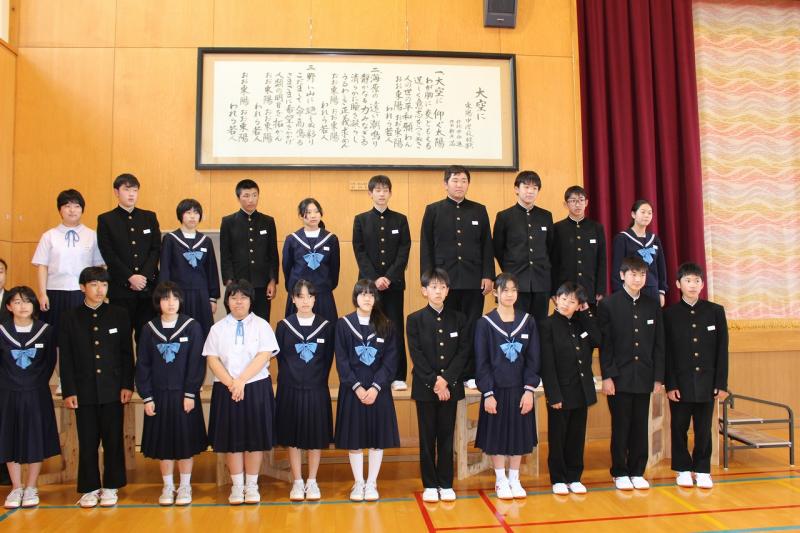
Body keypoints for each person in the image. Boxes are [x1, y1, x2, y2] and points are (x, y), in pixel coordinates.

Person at [59, 267, 134, 508]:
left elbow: (126, 353)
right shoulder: (69, 317)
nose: (99, 290)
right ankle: (90, 487)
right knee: (88, 441)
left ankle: (112, 485)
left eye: (103, 284)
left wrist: (127, 384)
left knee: (113, 440)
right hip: (84, 391)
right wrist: (69, 390)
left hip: (113, 389)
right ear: (83, 288)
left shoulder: (119, 314)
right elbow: (66, 358)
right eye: (94, 285)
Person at [202, 279, 280, 506]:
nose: (238, 302)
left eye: (243, 297)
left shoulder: (262, 325)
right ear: (227, 301)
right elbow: (212, 359)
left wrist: (242, 380)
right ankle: (237, 486)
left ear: (250, 301)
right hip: (226, 388)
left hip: (256, 386)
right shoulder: (217, 328)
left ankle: (252, 485)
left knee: (255, 438)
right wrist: (232, 383)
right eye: (234, 297)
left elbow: (264, 355)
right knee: (231, 439)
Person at [420, 165, 494, 389]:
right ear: (445, 184)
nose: (459, 185)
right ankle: (448, 373)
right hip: (444, 282)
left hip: (473, 280)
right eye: (455, 180)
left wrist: (488, 275)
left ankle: (470, 373)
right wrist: (428, 281)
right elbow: (426, 247)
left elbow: (487, 245)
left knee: (471, 327)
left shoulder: (479, 210)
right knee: (447, 327)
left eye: (463, 180)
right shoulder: (433, 210)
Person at [135, 282, 207, 506]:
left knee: (185, 443)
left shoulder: (191, 327)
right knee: (164, 444)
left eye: (175, 298)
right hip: (158, 396)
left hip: (184, 395)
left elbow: (196, 362)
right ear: (158, 302)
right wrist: (147, 396)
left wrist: (190, 393)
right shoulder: (149, 329)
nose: (171, 303)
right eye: (166, 298)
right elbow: (143, 365)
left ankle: (185, 486)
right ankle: (167, 486)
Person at [598, 255, 665, 491]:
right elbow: (606, 345)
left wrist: (658, 377)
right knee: (621, 426)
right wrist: (607, 376)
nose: (638, 279)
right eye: (633, 274)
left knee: (640, 425)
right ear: (622, 275)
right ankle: (619, 472)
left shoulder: (652, 304)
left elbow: (659, 344)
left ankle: (637, 471)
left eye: (642, 275)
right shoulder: (609, 304)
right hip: (619, 378)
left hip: (644, 376)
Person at [474, 272, 541, 500]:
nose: (510, 294)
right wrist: (488, 393)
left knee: (518, 436)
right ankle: (500, 479)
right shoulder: (485, 323)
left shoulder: (528, 321)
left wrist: (529, 390)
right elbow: (481, 362)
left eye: (514, 290)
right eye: (505, 290)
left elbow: (534, 359)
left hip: (520, 389)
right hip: (495, 390)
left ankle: (514, 478)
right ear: (495, 292)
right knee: (497, 436)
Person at [407, 268, 470, 503]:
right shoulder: (414, 320)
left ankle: (445, 482)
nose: (438, 291)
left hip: (450, 388)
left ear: (448, 291)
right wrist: (435, 382)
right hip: (425, 388)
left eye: (443, 287)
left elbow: (463, 352)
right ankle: (430, 484)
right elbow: (417, 354)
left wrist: (446, 381)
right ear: (424, 291)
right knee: (427, 439)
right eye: (433, 287)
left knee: (446, 436)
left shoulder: (459, 318)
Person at [334, 280, 400, 502]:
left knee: (376, 439)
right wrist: (357, 387)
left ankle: (371, 483)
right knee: (354, 438)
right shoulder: (343, 325)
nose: (367, 297)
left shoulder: (386, 325)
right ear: (355, 297)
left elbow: (391, 360)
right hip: (352, 389)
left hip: (378, 390)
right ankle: (358, 482)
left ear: (375, 298)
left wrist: (375, 387)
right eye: (362, 294)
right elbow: (342, 360)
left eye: (371, 294)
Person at [665, 262, 728, 489]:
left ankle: (702, 469)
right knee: (678, 427)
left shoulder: (715, 311)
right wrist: (670, 384)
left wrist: (721, 383)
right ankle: (682, 468)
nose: (693, 285)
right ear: (678, 284)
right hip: (680, 384)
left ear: (702, 284)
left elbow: (722, 350)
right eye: (688, 280)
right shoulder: (669, 314)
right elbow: (667, 353)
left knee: (703, 429)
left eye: (697, 281)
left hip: (707, 383)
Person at [274, 280, 335, 501]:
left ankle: (312, 480)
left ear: (315, 299)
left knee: (315, 436)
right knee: (292, 436)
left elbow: (328, 359)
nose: (305, 301)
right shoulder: (283, 326)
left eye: (309, 296)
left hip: (316, 388)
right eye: (300, 296)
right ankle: (298, 481)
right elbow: (280, 359)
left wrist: (315, 380)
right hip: (290, 389)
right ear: (293, 299)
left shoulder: (326, 326)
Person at [0, 287, 60, 509]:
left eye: (27, 301)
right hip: (8, 393)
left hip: (36, 392)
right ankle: (16, 487)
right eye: (17, 302)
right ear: (9, 306)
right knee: (9, 437)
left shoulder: (46, 331)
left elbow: (49, 362)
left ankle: (31, 487)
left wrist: (36, 383)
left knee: (36, 438)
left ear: (34, 305)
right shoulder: (2, 331)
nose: (22, 306)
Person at [540, 282, 600, 495]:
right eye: (563, 298)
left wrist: (586, 314)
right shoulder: (547, 325)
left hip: (581, 389)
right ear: (556, 299)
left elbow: (598, 340)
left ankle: (574, 476)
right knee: (558, 436)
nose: (566, 303)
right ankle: (558, 478)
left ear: (579, 305)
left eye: (572, 301)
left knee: (577, 435)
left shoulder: (581, 323)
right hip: (560, 391)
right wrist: (553, 394)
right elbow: (547, 364)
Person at [353, 175, 411, 391]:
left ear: (390, 193)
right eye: (377, 190)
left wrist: (389, 277)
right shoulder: (361, 220)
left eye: (385, 190)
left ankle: (397, 375)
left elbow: (404, 251)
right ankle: (370, 373)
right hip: (369, 288)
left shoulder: (400, 219)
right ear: (370, 193)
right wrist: (375, 279)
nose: (381, 194)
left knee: (394, 327)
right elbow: (359, 252)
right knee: (369, 328)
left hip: (393, 285)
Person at [32, 189, 105, 347]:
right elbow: (42, 266)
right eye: (67, 206)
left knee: (82, 338)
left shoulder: (92, 235)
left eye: (77, 206)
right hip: (54, 292)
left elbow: (99, 268)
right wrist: (42, 294)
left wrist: (99, 293)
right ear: (60, 210)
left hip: (83, 293)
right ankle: (58, 365)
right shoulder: (49, 236)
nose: (72, 210)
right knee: (54, 338)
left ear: (82, 209)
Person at [96, 173, 161, 340]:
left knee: (146, 336)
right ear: (116, 192)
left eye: (135, 190)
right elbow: (108, 253)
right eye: (126, 190)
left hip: (147, 289)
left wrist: (143, 277)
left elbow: (155, 249)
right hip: (121, 289)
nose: (131, 194)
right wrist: (130, 277)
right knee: (121, 337)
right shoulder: (106, 220)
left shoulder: (149, 217)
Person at [493, 171, 553, 323]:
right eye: (526, 187)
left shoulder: (546, 216)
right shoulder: (504, 216)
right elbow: (498, 249)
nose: (530, 191)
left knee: (540, 326)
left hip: (541, 282)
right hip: (516, 281)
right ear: (516, 189)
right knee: (517, 324)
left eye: (534, 188)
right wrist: (511, 267)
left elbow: (550, 247)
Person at [219, 179, 279, 322]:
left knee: (261, 321)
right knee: (237, 322)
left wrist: (272, 280)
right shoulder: (228, 222)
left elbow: (273, 254)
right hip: (238, 284)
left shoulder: (268, 221)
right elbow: (225, 255)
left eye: (254, 195)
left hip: (262, 284)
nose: (251, 200)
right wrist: (230, 283)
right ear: (238, 198)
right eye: (246, 195)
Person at [159, 198, 221, 335]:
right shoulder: (170, 239)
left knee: (203, 331)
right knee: (180, 331)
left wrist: (212, 298)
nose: (192, 216)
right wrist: (165, 296)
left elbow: (211, 271)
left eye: (196, 213)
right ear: (180, 215)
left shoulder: (206, 241)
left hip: (201, 294)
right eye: (188, 212)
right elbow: (164, 269)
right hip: (178, 294)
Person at [282, 198, 340, 323]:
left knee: (326, 328)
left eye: (316, 211)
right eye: (308, 212)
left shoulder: (331, 239)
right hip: (299, 293)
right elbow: (287, 267)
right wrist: (295, 289)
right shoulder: (292, 239)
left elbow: (335, 268)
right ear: (300, 215)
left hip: (322, 293)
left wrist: (326, 285)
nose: (313, 215)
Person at [551, 186, 607, 309]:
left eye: (581, 200)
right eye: (573, 201)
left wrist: (601, 289)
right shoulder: (557, 228)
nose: (578, 204)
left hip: (590, 288)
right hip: (565, 289)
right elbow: (554, 262)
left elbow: (602, 261)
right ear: (566, 204)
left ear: (586, 202)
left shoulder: (597, 228)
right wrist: (554, 290)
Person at [611, 200, 667, 306]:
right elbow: (617, 268)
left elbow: (661, 267)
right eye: (643, 212)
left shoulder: (654, 239)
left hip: (652, 289)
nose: (646, 215)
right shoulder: (622, 238)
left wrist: (661, 291)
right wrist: (619, 292)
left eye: (649, 213)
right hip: (630, 290)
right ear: (633, 214)